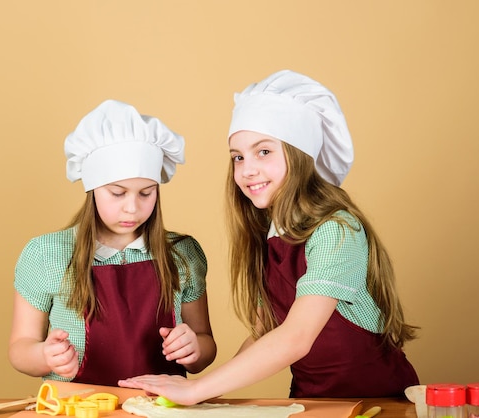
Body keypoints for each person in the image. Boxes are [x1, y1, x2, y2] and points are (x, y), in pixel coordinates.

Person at [119, 70, 419, 403]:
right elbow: (266, 333)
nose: (247, 169)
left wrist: (198, 388)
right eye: (238, 157)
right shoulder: (271, 236)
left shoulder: (337, 230)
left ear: (299, 155)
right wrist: (211, 394)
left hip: (376, 402)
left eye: (264, 152)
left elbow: (296, 337)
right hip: (311, 404)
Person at [8, 99, 217, 386]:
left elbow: (205, 344)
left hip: (161, 408)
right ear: (93, 189)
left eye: (146, 192)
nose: (132, 207)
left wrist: (194, 349)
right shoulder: (46, 254)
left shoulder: (182, 253)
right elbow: (20, 347)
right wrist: (45, 355)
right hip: (77, 409)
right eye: (117, 193)